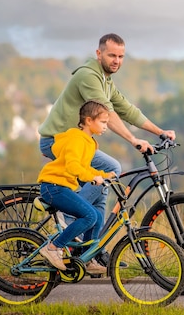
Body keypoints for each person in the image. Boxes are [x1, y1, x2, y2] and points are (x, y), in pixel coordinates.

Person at [37, 33, 176, 264]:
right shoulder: (88, 76)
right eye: (112, 55)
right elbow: (107, 113)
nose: (116, 60)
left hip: (77, 143)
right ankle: (73, 224)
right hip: (58, 141)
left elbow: (128, 110)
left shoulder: (105, 81)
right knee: (112, 167)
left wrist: (159, 132)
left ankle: (90, 252)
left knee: (105, 181)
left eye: (121, 56)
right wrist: (134, 140)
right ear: (99, 53)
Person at [37, 100, 115, 274]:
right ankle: (53, 247)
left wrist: (103, 175)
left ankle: (85, 257)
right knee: (89, 216)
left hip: (63, 187)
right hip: (54, 186)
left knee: (96, 216)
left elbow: (85, 167)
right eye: (103, 122)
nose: (106, 127)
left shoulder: (88, 141)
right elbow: (73, 167)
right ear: (88, 121)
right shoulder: (76, 139)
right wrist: (92, 178)